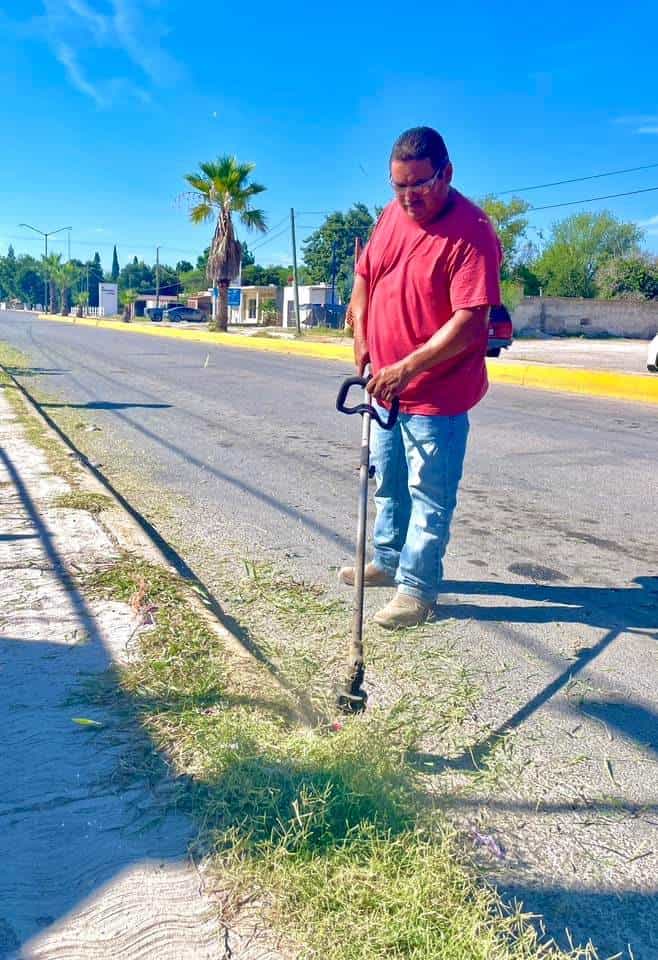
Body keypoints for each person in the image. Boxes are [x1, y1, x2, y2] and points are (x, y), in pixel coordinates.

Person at [338, 126, 502, 628]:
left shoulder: (472, 231)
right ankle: (387, 562)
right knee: (388, 482)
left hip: (436, 393)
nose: (408, 198)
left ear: (446, 174)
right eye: (399, 187)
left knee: (429, 492)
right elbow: (365, 276)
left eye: (420, 186)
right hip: (384, 385)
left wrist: (407, 366)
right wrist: (361, 330)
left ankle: (418, 590)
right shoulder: (391, 215)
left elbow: (471, 321)